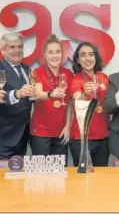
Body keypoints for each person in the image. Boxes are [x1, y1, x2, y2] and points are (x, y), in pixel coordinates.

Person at [0, 32, 36, 159]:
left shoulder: (27, 69)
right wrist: (17, 93)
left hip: (22, 136)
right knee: (0, 177)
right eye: (12, 47)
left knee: (17, 177)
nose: (17, 50)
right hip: (3, 137)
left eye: (20, 47)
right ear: (3, 51)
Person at [61, 42, 110, 166]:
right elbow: (77, 99)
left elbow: (111, 104)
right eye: (83, 55)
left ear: (96, 58)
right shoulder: (74, 79)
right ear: (77, 60)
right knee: (82, 178)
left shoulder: (104, 77)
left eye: (91, 54)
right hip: (81, 138)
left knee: (101, 176)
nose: (87, 58)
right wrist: (85, 93)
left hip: (103, 136)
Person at [30, 34, 72, 162]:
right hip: (40, 131)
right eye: (51, 52)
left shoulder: (68, 73)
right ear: (45, 55)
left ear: (62, 54)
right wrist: (50, 94)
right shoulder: (37, 72)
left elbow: (70, 103)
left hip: (61, 131)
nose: (55, 55)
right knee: (41, 171)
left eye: (58, 52)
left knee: (60, 172)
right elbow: (38, 93)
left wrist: (68, 126)